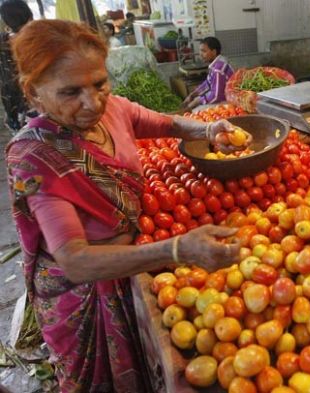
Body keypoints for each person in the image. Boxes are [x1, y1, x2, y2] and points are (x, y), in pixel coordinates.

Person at [6, 19, 250, 392]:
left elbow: (167, 125)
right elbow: (74, 259)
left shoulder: (114, 110)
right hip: (84, 293)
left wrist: (208, 130)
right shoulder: (35, 157)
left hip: (134, 261)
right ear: (34, 94)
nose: (93, 102)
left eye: (100, 83)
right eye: (71, 91)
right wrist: (175, 249)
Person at [0, 0, 32, 133]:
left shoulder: (2, 41)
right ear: (29, 15)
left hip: (12, 104)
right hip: (39, 103)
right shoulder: (37, 40)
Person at [182, 36, 234, 112]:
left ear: (214, 52)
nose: (201, 54)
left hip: (227, 101)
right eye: (200, 51)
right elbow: (207, 83)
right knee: (196, 103)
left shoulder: (218, 69)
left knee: (195, 111)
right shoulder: (218, 62)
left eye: (204, 51)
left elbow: (216, 97)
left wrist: (198, 101)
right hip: (222, 98)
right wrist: (193, 94)